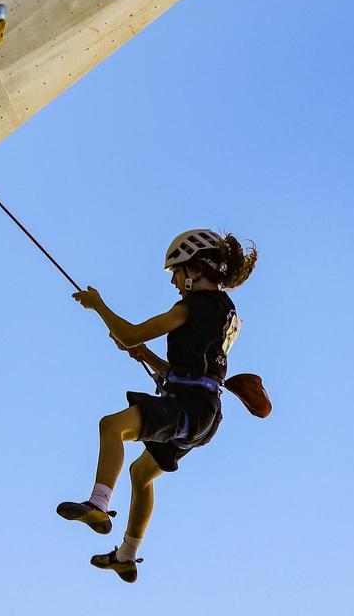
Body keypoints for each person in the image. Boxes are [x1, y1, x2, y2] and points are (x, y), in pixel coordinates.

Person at [59, 229, 258, 583]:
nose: (174, 282)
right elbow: (195, 370)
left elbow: (131, 332)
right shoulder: (226, 311)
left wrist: (99, 306)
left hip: (188, 409)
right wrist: (145, 355)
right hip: (204, 416)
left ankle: (98, 506)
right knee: (141, 474)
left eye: (176, 273)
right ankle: (126, 556)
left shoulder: (191, 306)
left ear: (194, 269)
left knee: (112, 426)